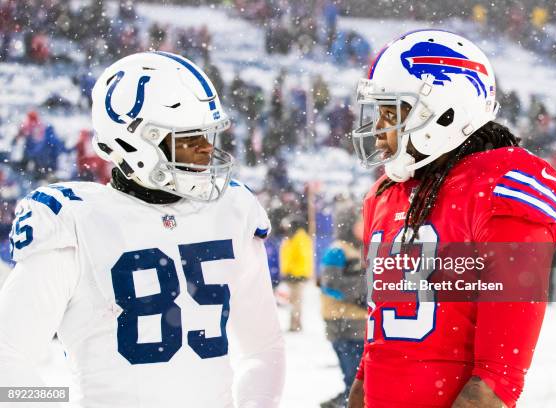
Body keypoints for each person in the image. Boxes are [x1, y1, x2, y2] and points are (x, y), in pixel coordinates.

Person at [0, 52, 285, 407]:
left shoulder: (232, 209)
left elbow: (264, 346)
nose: (206, 150)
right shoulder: (75, 221)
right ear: (134, 141)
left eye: (209, 135)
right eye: (189, 138)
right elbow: (7, 360)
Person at [348, 30, 556, 407]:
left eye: (391, 113)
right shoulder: (386, 195)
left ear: (445, 113)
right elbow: (381, 334)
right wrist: (361, 387)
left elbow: (498, 373)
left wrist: (481, 396)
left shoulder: (497, 184)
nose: (380, 130)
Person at [319, 204, 367, 408]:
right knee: (353, 370)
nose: (364, 226)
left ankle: (350, 396)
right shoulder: (338, 250)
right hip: (343, 321)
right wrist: (359, 295)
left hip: (357, 320)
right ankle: (349, 397)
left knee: (358, 369)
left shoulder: (357, 250)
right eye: (360, 222)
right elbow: (330, 283)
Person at [279, 215, 314, 332]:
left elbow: (300, 258)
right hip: (294, 275)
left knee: (296, 301)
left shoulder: (299, 238)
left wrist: (291, 271)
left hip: (297, 275)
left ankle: (296, 325)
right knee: (294, 301)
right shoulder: (294, 238)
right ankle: (295, 324)